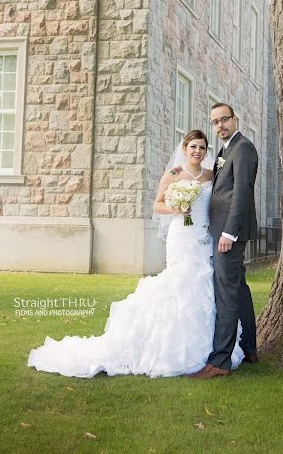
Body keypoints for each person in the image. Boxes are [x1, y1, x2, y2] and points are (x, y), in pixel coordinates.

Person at [28, 130, 244, 378]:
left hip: (204, 237)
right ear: (184, 148)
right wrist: (176, 207)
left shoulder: (210, 175)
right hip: (182, 236)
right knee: (182, 281)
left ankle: (208, 348)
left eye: (203, 148)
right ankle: (170, 344)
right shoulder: (173, 175)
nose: (198, 152)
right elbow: (157, 205)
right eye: (193, 147)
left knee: (203, 283)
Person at [190, 103, 258, 379]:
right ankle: (249, 347)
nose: (220, 126)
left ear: (235, 118)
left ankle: (220, 361)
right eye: (215, 122)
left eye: (224, 120)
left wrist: (229, 233)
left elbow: (242, 192)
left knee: (226, 293)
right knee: (238, 288)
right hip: (222, 230)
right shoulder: (226, 149)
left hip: (229, 233)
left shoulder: (243, 148)